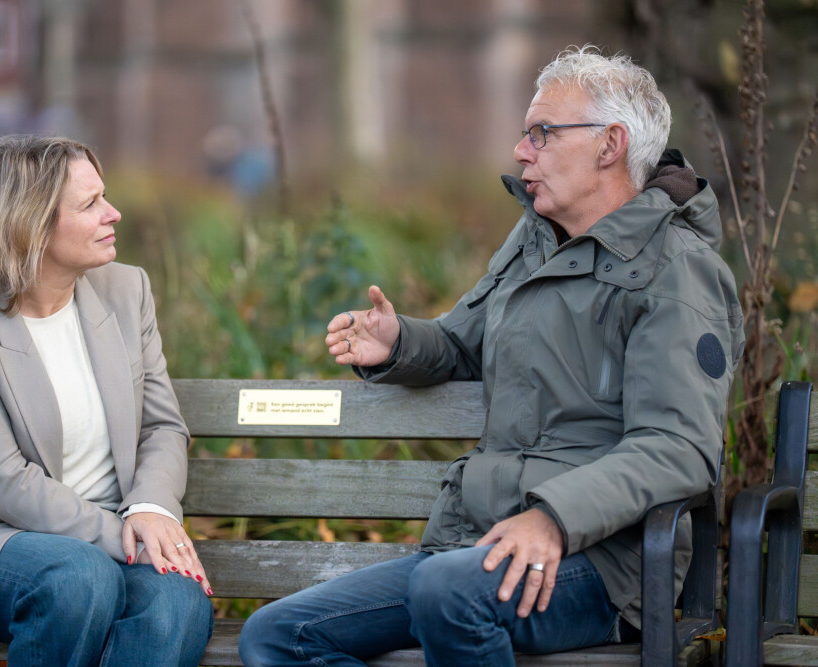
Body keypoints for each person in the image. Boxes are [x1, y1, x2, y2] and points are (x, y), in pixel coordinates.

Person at [238, 45, 744, 665]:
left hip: (603, 564)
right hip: (477, 545)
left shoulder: (678, 270)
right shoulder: (535, 241)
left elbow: (678, 447)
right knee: (278, 635)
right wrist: (398, 342)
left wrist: (554, 519)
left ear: (610, 145)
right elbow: (461, 341)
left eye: (543, 133)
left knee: (447, 591)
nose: (521, 150)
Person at [0, 135, 214, 666]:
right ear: (30, 224)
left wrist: (151, 509)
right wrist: (126, 536)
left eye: (105, 196)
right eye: (90, 204)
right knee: (79, 577)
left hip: (114, 537)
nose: (113, 213)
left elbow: (161, 427)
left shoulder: (126, 291)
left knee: (177, 603)